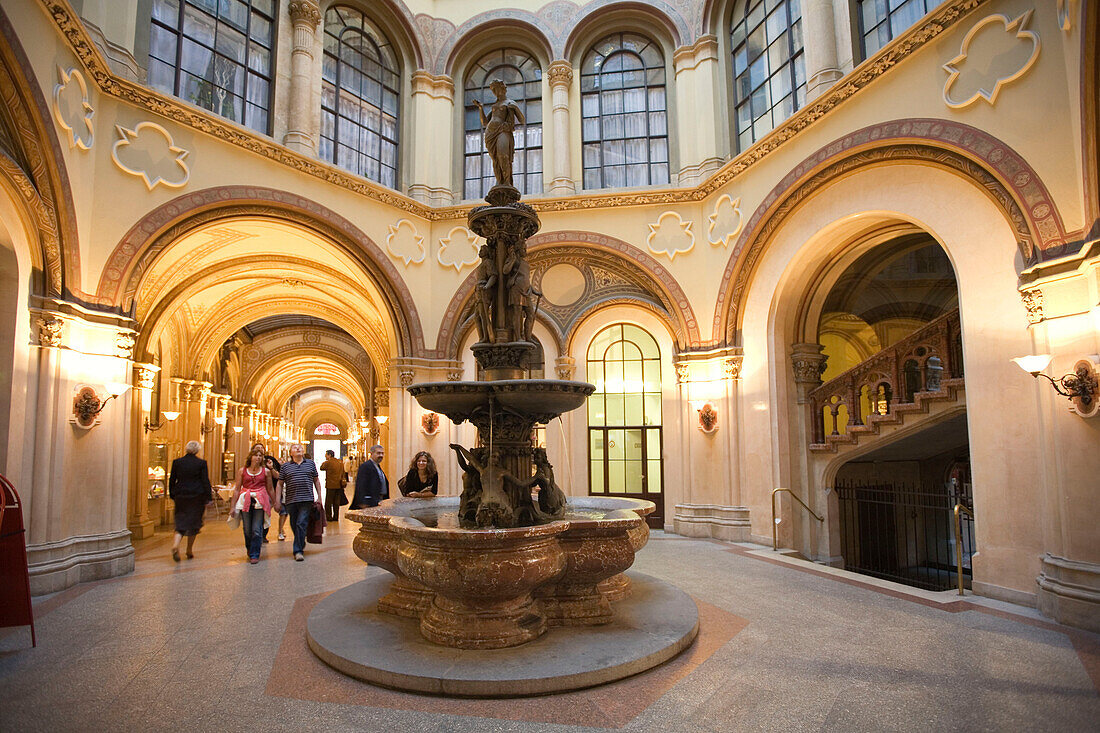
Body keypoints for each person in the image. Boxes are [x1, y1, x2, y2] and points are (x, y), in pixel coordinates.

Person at [473, 79, 525, 188]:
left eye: (496, 89)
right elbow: (485, 123)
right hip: (490, 133)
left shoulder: (510, 103)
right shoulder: (494, 106)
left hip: (503, 130)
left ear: (502, 88)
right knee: (495, 159)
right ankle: (499, 181)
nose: (495, 92)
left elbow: (522, 120)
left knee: (503, 155)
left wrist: (515, 108)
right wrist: (480, 108)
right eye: (493, 90)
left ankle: (507, 182)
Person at [167, 440, 213, 562]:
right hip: (196, 496)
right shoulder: (201, 463)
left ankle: (175, 545)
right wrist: (208, 497)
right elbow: (205, 481)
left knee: (180, 521)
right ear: (197, 450)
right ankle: (189, 550)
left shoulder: (177, 462)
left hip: (181, 495)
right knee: (194, 523)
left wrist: (172, 494)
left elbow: (172, 480)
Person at [230, 446, 275, 564]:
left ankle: (255, 553)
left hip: (260, 502)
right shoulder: (242, 471)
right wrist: (232, 506)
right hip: (245, 501)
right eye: (256, 455)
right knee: (247, 529)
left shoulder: (266, 472)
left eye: (260, 456)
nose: (258, 458)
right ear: (251, 457)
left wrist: (275, 502)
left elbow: (270, 489)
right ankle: (249, 548)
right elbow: (236, 489)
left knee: (256, 529)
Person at [276, 443, 321, 561]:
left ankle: (298, 550)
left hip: (306, 499)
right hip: (291, 500)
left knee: (301, 523)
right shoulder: (285, 467)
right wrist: (277, 500)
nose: (298, 448)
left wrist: (319, 497)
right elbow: (280, 484)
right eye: (295, 448)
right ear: (291, 453)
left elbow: (316, 480)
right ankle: (300, 541)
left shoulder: (310, 464)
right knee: (294, 523)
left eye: (300, 447)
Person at [351, 444, 388, 508]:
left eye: (382, 453)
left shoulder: (377, 466)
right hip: (370, 502)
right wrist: (363, 502)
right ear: (371, 454)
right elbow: (360, 485)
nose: (381, 455)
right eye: (378, 453)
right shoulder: (365, 466)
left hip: (378, 500)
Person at [320, 449, 346, 521]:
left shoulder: (328, 462)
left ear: (329, 455)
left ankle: (329, 517)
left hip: (330, 485)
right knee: (336, 502)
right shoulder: (340, 462)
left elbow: (321, 468)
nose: (325, 456)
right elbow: (343, 472)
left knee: (328, 502)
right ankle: (336, 517)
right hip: (339, 484)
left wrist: (326, 461)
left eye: (326, 455)